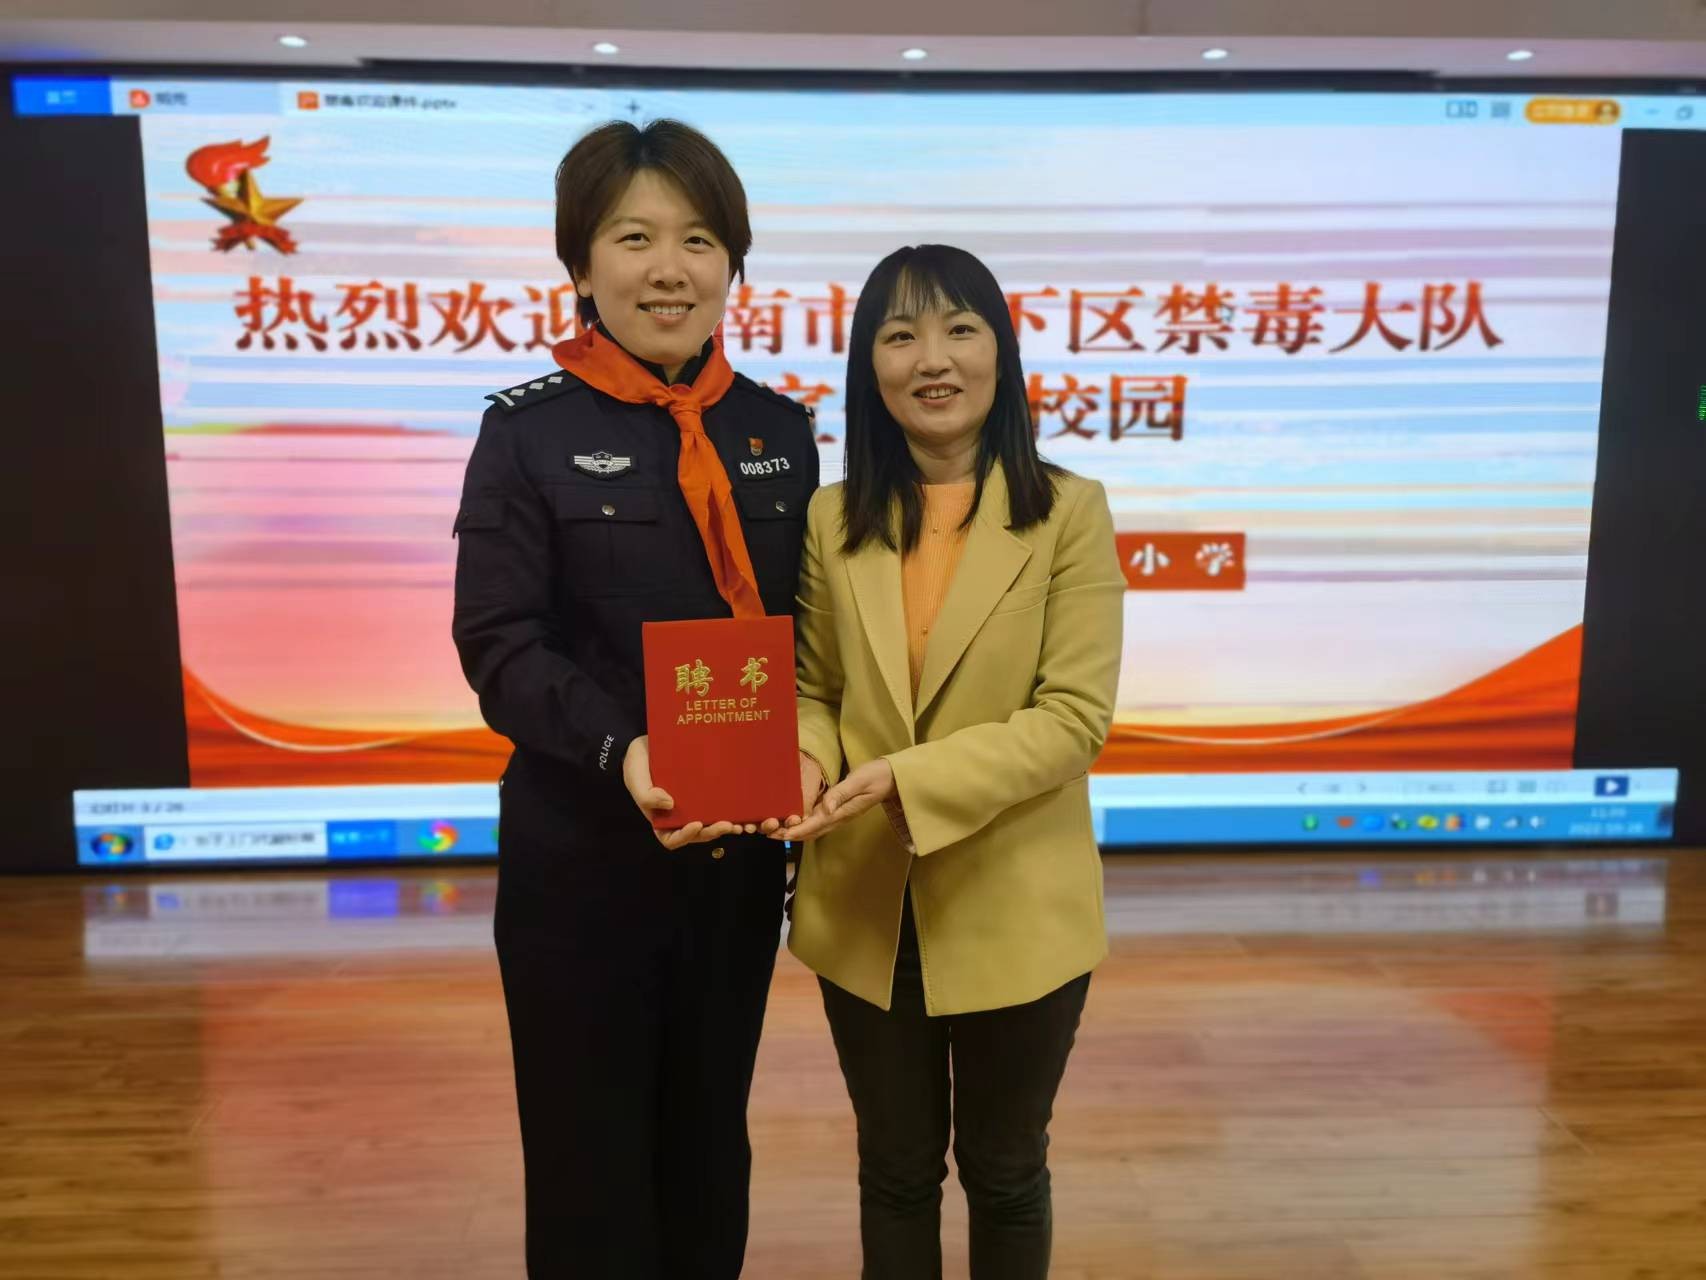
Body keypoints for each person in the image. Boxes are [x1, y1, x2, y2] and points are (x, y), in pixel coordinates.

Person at [451, 118, 818, 1279]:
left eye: (699, 239)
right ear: (579, 263)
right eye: (634, 237)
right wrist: (627, 748)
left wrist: (811, 749)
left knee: (708, 1147)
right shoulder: (526, 432)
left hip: (735, 860)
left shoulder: (778, 431)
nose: (670, 268)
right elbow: (498, 644)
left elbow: (811, 643)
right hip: (581, 863)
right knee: (587, 1162)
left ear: (732, 264)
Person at [772, 244, 1124, 1278]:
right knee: (893, 1171)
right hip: (865, 903)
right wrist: (800, 763)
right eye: (900, 335)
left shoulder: (1068, 510)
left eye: (959, 329)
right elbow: (813, 689)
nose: (933, 359)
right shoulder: (832, 516)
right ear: (868, 367)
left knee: (1005, 1170)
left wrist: (905, 779)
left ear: (999, 353)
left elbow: (1073, 718)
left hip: (1016, 899)